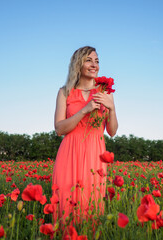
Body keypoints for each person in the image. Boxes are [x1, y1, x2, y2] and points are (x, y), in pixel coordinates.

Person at [52, 46, 118, 225]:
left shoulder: (105, 93)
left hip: (95, 154)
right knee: (66, 204)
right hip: (69, 153)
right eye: (89, 60)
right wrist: (84, 110)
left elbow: (112, 131)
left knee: (92, 204)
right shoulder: (65, 92)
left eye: (97, 61)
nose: (94, 65)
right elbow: (59, 129)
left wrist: (112, 108)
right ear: (78, 64)